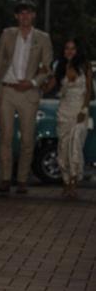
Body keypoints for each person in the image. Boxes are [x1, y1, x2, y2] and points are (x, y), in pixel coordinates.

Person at [0, 0, 53, 195]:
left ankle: (22, 179)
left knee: (27, 138)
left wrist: (33, 83)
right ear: (17, 16)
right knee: (5, 136)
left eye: (28, 13)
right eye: (21, 13)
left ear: (33, 15)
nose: (25, 16)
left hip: (29, 91)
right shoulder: (8, 34)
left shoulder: (42, 38)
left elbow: (47, 67)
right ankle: (5, 178)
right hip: (7, 89)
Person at [55, 38, 93, 197]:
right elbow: (57, 90)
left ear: (78, 51)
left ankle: (74, 181)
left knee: (75, 145)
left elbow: (89, 89)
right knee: (63, 147)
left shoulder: (85, 65)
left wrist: (84, 109)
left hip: (80, 110)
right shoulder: (61, 67)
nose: (69, 51)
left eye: (73, 48)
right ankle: (65, 180)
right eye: (66, 48)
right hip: (64, 110)